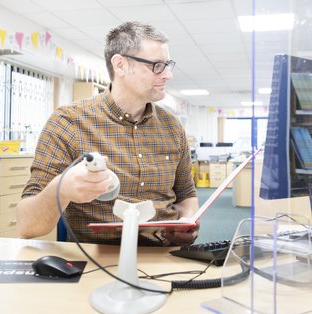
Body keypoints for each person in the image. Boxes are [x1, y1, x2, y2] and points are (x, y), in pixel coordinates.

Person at [16, 21, 199, 246]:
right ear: (120, 65)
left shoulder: (172, 126)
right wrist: (61, 189)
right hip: (97, 260)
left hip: (166, 255)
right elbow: (27, 226)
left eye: (168, 64)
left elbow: (186, 195)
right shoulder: (68, 123)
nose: (168, 75)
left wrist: (187, 220)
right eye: (157, 66)